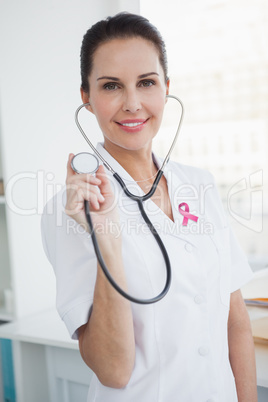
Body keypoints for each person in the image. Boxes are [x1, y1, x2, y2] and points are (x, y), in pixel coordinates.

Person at [41, 12, 258, 402]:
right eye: (111, 86)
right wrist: (106, 235)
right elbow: (113, 369)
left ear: (166, 88)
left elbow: (235, 321)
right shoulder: (72, 209)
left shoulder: (200, 184)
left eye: (146, 82)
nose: (133, 103)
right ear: (86, 99)